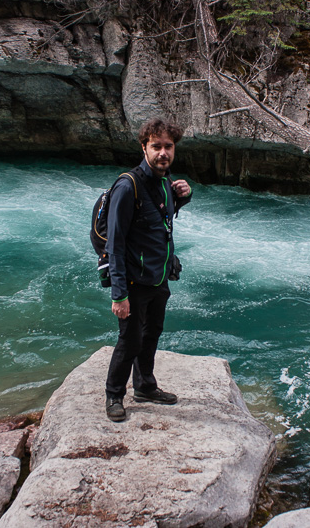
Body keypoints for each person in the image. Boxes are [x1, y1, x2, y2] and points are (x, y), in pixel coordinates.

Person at [104, 118, 192, 422]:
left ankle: (144, 386)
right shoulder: (127, 186)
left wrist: (184, 197)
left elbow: (160, 218)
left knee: (152, 333)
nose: (163, 152)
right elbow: (115, 244)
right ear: (144, 148)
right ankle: (114, 394)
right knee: (130, 340)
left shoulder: (165, 183)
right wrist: (119, 295)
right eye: (156, 146)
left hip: (158, 276)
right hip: (133, 280)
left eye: (168, 146)